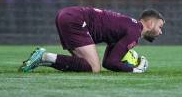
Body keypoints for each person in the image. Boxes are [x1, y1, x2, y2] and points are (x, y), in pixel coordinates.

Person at [19, 7, 165, 73]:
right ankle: (45, 56)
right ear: (150, 23)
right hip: (75, 19)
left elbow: (109, 61)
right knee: (93, 68)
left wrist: (126, 66)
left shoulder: (130, 26)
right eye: (160, 26)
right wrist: (134, 69)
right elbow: (112, 63)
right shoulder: (135, 31)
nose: (160, 32)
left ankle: (40, 59)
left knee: (83, 66)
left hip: (68, 15)